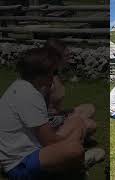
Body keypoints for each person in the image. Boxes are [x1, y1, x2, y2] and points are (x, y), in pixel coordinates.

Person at [0, 47, 89, 179]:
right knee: (75, 148)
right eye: (53, 72)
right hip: (19, 163)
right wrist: (72, 139)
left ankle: (73, 164)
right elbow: (49, 141)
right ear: (40, 74)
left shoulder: (22, 86)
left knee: (78, 122)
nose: (54, 77)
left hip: (27, 150)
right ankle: (75, 165)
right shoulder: (29, 94)